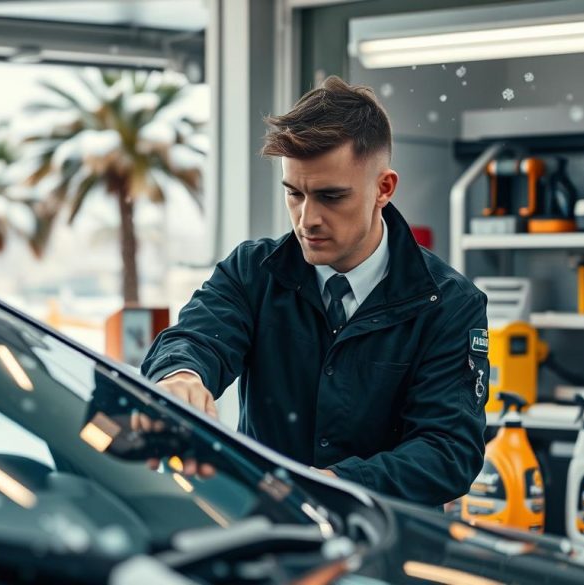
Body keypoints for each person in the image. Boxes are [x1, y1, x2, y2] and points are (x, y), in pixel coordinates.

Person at [141, 75, 488, 506]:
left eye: (330, 196)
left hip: (385, 550)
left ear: (384, 188)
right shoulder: (252, 272)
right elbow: (195, 339)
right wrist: (180, 376)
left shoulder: (449, 306)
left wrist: (327, 484)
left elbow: (447, 452)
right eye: (295, 194)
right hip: (268, 541)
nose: (307, 219)